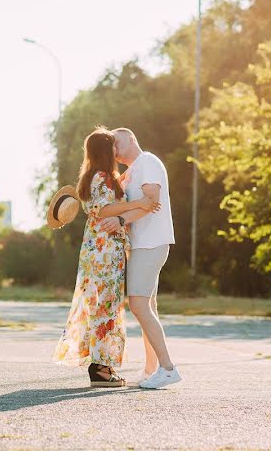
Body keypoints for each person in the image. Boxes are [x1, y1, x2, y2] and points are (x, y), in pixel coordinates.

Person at [53, 127, 161, 387]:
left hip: (99, 251)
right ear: (105, 150)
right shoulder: (100, 176)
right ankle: (101, 369)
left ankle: (101, 366)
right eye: (113, 145)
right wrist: (139, 204)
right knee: (106, 306)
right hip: (104, 252)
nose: (117, 149)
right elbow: (103, 210)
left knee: (102, 305)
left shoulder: (97, 176)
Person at [99, 127, 181, 389]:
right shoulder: (132, 171)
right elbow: (117, 202)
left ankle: (168, 369)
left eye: (118, 142)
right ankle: (151, 369)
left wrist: (121, 220)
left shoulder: (147, 162)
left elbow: (151, 200)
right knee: (148, 308)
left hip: (151, 244)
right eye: (111, 145)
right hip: (142, 246)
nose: (115, 148)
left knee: (138, 305)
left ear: (132, 139)